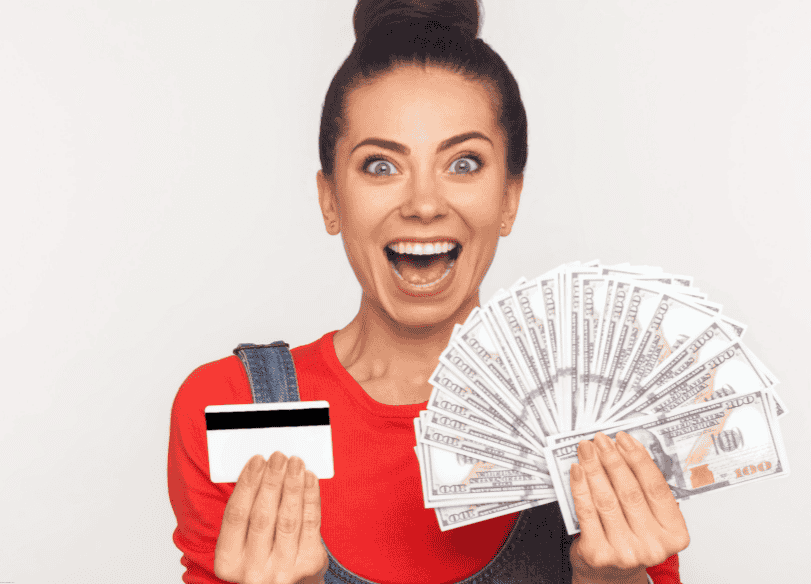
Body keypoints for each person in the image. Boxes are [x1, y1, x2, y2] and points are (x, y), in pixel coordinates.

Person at [167, 1, 690, 582]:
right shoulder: (238, 407)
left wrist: (609, 578)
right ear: (330, 199)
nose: (422, 204)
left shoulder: (598, 412)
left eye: (464, 164)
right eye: (380, 166)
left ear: (510, 197)